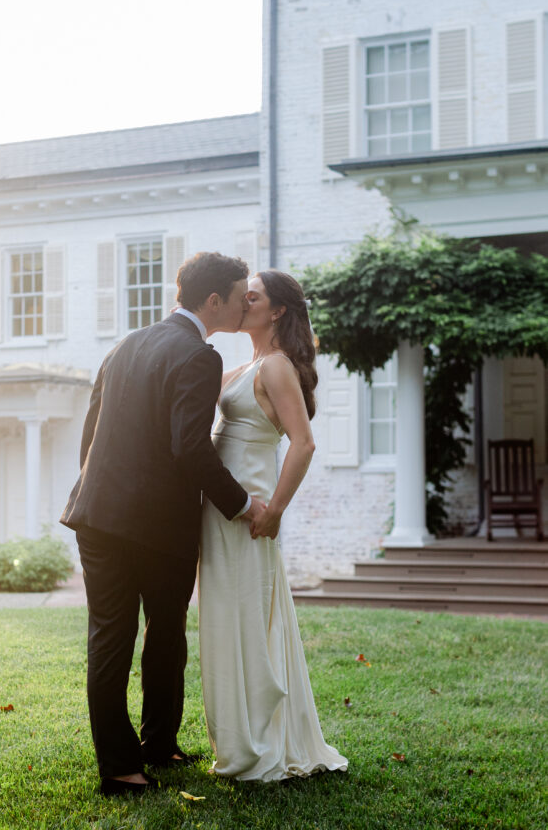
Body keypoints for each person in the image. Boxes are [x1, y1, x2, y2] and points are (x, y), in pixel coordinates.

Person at [60, 251, 269, 797]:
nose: (248, 303)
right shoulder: (197, 356)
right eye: (241, 294)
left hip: (96, 514)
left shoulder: (125, 342)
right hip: (154, 524)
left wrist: (96, 490)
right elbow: (190, 450)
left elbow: (91, 431)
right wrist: (244, 504)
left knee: (120, 636)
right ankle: (128, 764)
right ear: (213, 300)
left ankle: (153, 748)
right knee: (159, 633)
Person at [199, 269, 349, 781]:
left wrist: (276, 511)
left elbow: (303, 443)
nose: (244, 301)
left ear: (277, 311)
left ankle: (259, 741)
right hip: (225, 510)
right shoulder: (248, 365)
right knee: (226, 615)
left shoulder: (278, 366)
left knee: (246, 617)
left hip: (251, 516)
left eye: (254, 297)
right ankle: (239, 735)